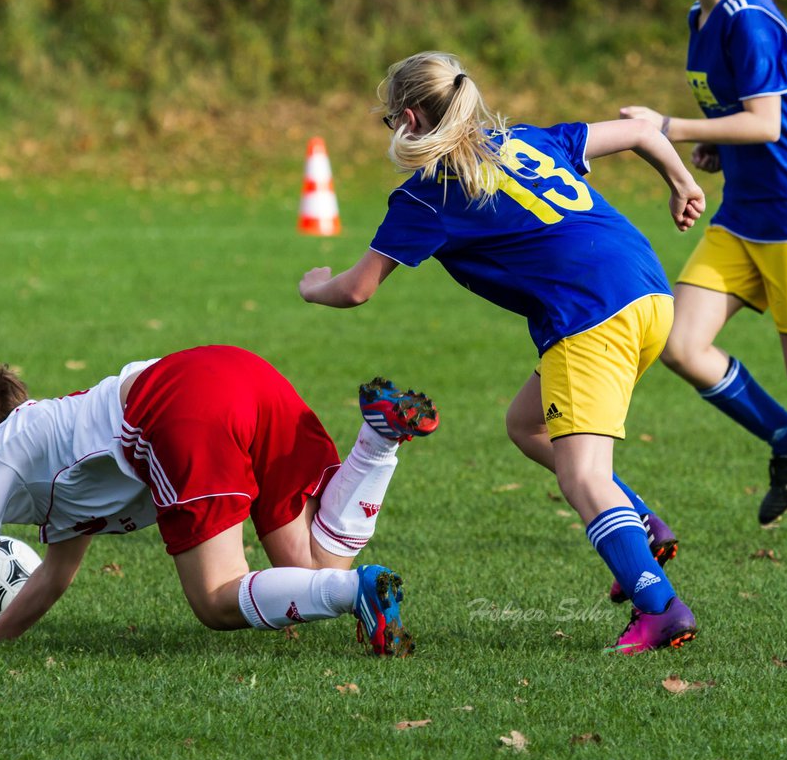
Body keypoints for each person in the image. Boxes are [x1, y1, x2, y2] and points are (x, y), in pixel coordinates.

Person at [298, 51, 706, 653]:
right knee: (526, 424)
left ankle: (660, 608)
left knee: (583, 475)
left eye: (391, 121)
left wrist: (312, 287)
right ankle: (640, 523)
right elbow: (645, 132)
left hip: (588, 315)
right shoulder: (527, 141)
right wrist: (684, 184)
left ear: (411, 118)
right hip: (648, 291)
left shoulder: (428, 194)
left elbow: (357, 288)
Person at [0, 344, 438, 657]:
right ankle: (377, 445)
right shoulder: (54, 439)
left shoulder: (2, 450)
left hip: (184, 402)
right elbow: (55, 576)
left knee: (214, 598)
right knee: (308, 566)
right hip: (242, 370)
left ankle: (358, 591)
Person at [620, 0, 787, 526]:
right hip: (745, 213)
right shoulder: (699, 18)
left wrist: (667, 126)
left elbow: (768, 123)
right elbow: (743, 117)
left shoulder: (748, 19)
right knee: (679, 343)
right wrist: (717, 148)